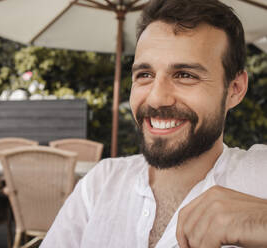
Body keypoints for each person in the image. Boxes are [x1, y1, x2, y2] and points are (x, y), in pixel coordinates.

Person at [40, 0, 267, 247]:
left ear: (235, 89)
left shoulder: (258, 177)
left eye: (185, 75)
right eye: (145, 75)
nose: (157, 98)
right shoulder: (101, 183)